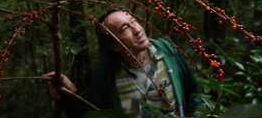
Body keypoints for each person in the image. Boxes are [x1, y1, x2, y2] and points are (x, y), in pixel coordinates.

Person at [46, 9, 201, 118]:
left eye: (133, 21)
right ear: (114, 46)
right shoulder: (106, 75)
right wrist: (70, 93)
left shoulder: (168, 52)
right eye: (125, 28)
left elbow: (194, 93)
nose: (137, 29)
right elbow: (89, 113)